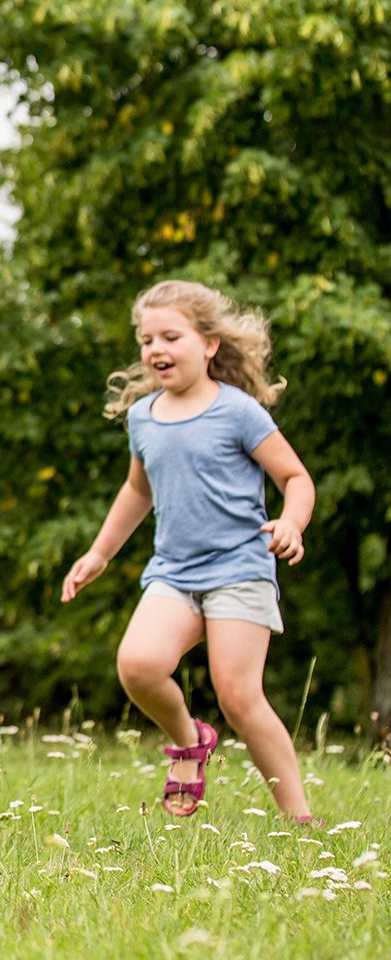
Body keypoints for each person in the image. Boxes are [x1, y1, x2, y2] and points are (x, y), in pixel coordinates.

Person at [61, 280, 317, 821]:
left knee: (239, 697)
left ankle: (299, 819)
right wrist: (99, 553)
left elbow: (295, 476)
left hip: (240, 568)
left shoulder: (238, 412)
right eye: (146, 339)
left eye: (170, 336)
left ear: (209, 345)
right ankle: (188, 739)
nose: (156, 349)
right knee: (138, 664)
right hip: (174, 571)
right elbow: (138, 490)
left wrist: (292, 523)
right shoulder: (144, 418)